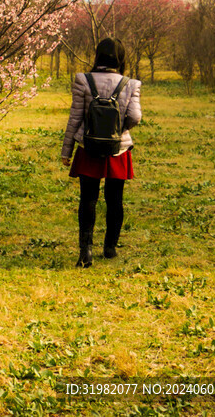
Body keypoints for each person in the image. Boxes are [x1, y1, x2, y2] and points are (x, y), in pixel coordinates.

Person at [60, 38, 142, 268]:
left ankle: (85, 251)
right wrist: (119, 128)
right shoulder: (130, 83)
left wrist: (66, 151)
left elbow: (75, 117)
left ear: (98, 56)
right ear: (120, 58)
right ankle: (110, 248)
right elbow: (135, 117)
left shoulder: (82, 80)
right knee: (115, 199)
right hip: (118, 149)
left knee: (88, 199)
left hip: (88, 146)